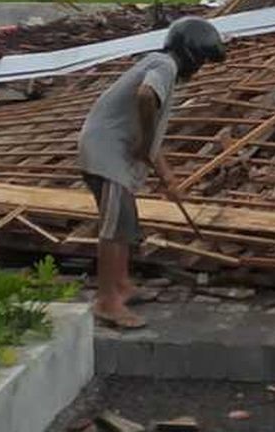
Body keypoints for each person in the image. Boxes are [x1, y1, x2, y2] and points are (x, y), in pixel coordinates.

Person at [78, 17, 226, 329]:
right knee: (114, 228)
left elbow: (151, 144)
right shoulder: (164, 66)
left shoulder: (160, 65)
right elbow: (145, 98)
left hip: (110, 151)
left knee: (124, 224)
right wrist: (144, 142)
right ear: (191, 55)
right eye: (202, 61)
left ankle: (122, 286)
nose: (199, 69)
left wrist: (168, 179)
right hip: (107, 151)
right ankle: (107, 302)